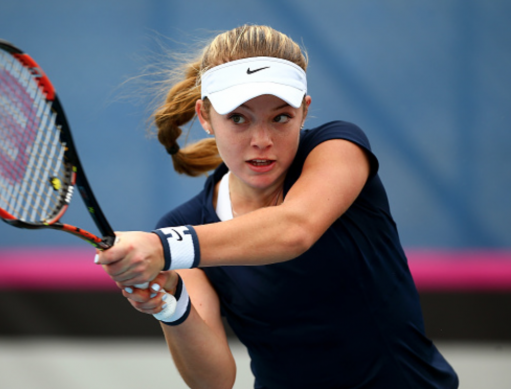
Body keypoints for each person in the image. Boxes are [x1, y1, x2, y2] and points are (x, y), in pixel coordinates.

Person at [96, 24, 459, 389]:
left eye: (280, 117)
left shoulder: (339, 148)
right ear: (205, 117)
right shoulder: (183, 224)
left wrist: (163, 247)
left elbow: (293, 229)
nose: (262, 140)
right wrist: (170, 302)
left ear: (304, 111)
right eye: (238, 118)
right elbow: (214, 381)